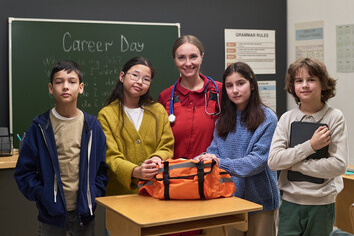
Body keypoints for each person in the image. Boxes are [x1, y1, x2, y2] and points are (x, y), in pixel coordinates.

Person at [14, 60, 108, 236]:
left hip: (84, 215)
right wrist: (44, 195)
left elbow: (102, 169)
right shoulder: (40, 127)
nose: (65, 86)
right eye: (59, 82)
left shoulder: (92, 126)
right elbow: (23, 172)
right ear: (51, 88)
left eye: (72, 81)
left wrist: (94, 194)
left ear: (81, 87)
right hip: (51, 217)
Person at [268, 57, 349, 236]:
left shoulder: (335, 117)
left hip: (322, 205)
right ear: (293, 86)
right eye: (299, 80)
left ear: (323, 84)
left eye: (311, 79)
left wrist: (294, 164)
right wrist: (310, 146)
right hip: (289, 203)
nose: (304, 85)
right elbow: (274, 161)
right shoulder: (287, 119)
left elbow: (338, 165)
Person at [197, 62, 280, 236]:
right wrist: (206, 157)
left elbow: (256, 162)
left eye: (240, 83)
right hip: (230, 199)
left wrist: (219, 162)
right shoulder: (223, 119)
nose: (235, 90)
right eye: (229, 86)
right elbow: (215, 150)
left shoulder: (268, 118)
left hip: (260, 201)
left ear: (252, 84)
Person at [97, 56, 174, 196]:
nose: (139, 82)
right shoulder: (106, 115)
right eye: (135, 75)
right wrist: (135, 171)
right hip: (120, 194)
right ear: (122, 76)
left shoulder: (158, 111)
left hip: (156, 190)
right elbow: (110, 156)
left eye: (146, 79)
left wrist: (157, 157)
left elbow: (167, 145)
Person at [158, 35, 222, 160]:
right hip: (176, 174)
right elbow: (160, 143)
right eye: (181, 58)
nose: (188, 63)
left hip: (211, 172)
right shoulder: (165, 97)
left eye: (193, 56)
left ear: (202, 57)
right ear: (174, 60)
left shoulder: (220, 91)